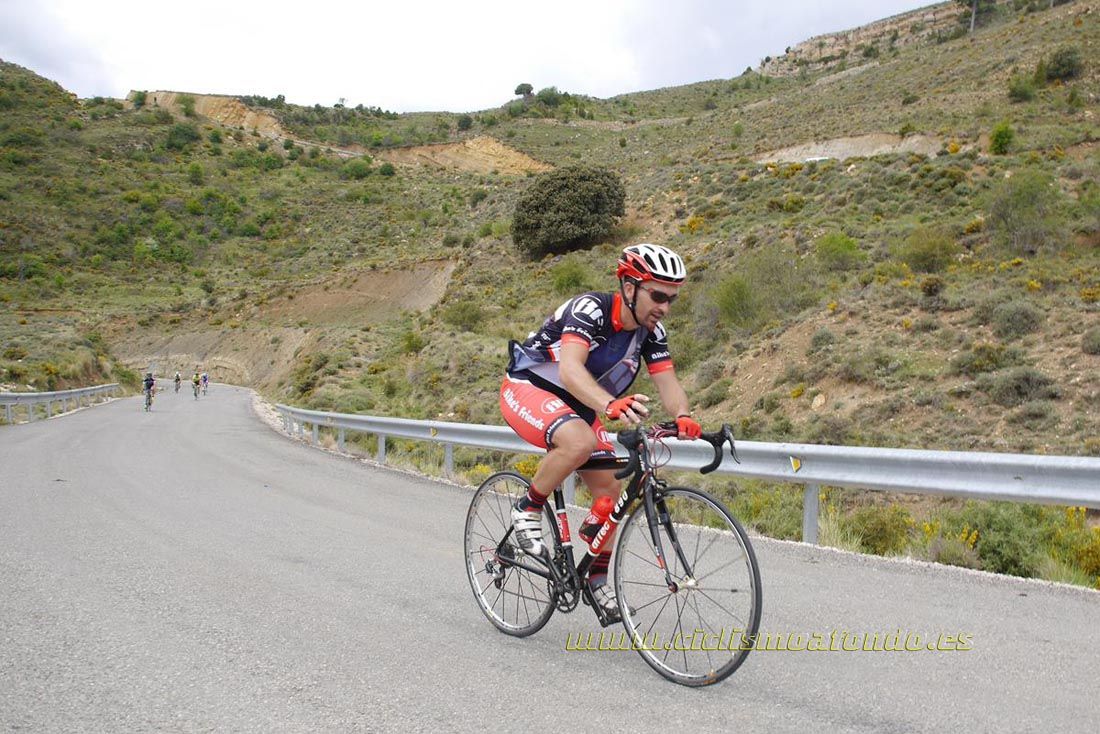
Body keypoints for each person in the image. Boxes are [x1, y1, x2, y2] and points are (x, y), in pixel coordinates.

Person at [500, 243, 702, 622]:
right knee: (580, 440)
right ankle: (526, 507)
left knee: (612, 491)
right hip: (529, 387)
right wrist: (609, 405)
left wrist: (683, 414)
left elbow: (668, 381)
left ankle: (594, 578)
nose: (664, 307)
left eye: (672, 299)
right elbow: (570, 371)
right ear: (629, 287)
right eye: (658, 295)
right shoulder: (590, 310)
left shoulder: (651, 332)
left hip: (578, 404)